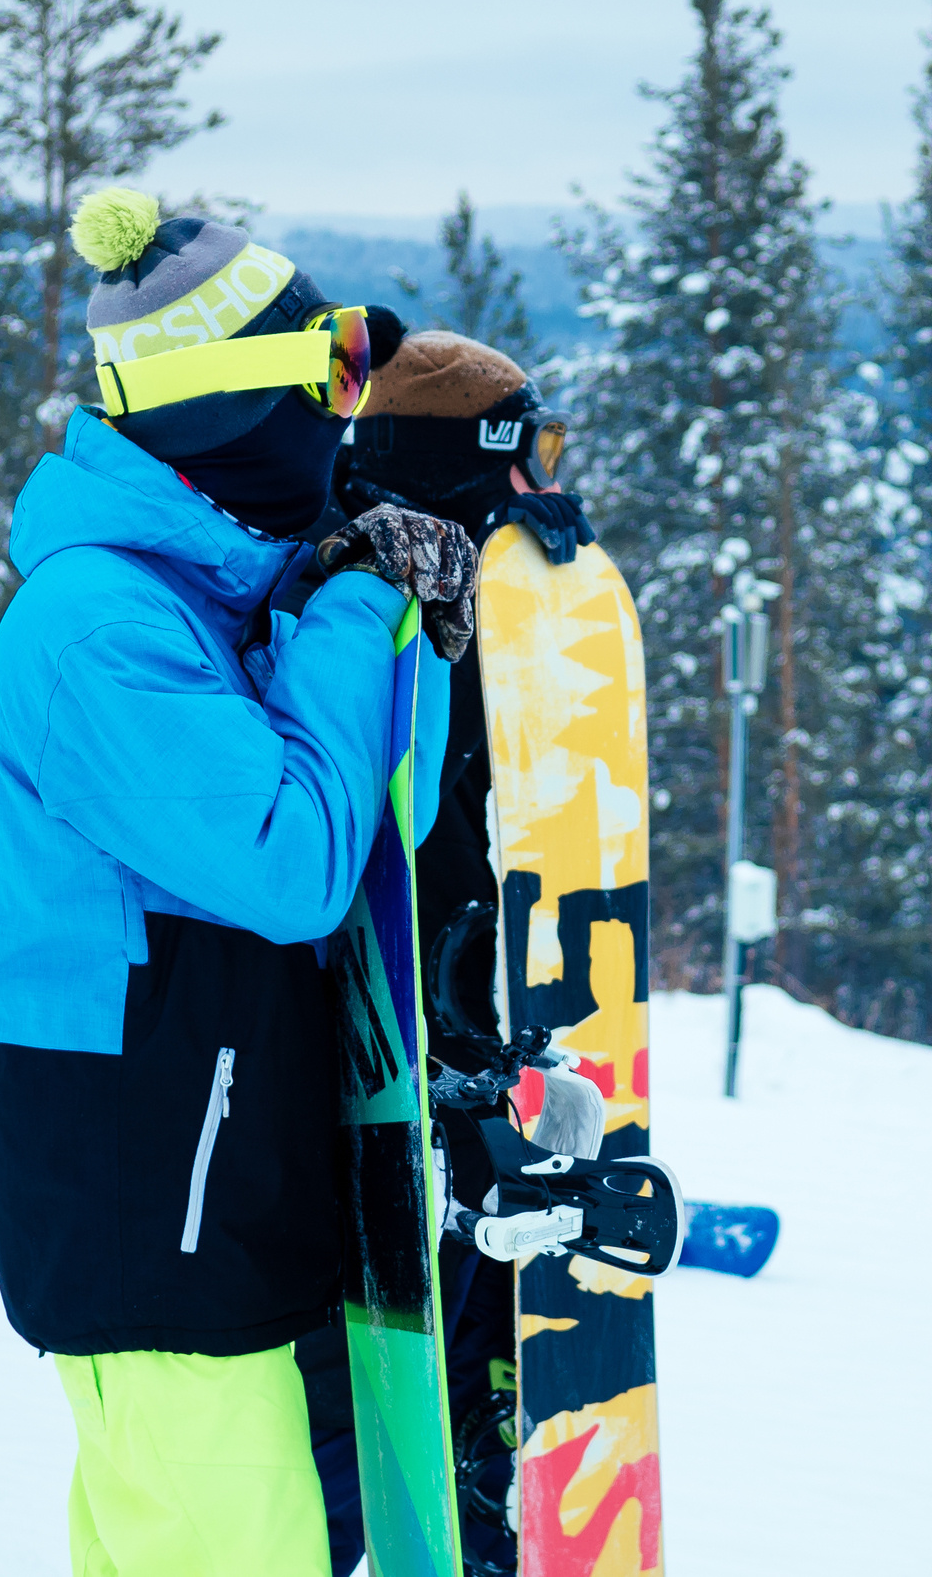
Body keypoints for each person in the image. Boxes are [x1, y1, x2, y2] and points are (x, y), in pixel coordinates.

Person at [0, 186, 476, 1577]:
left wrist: (411, 614)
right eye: (334, 374)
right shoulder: (96, 628)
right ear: (230, 402)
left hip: (249, 1201)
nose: (350, 413)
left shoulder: (229, 601)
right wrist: (362, 597)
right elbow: (295, 858)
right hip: (159, 1228)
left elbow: (386, 824)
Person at [282, 330, 599, 1577]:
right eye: (536, 457)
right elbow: (396, 850)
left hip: (458, 1047)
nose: (551, 488)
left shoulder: (461, 593)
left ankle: (481, 1512)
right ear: (471, 468)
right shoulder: (372, 607)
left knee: (465, 1371)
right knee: (374, 1412)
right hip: (377, 1072)